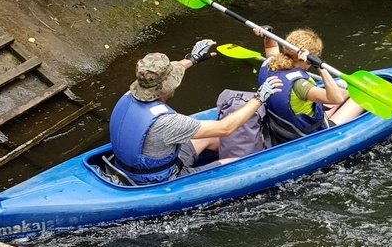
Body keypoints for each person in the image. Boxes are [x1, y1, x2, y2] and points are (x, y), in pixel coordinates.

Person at [109, 39, 283, 185]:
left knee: (212, 137)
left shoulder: (130, 93)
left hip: (131, 166)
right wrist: (260, 97)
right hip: (162, 180)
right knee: (240, 162)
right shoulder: (168, 122)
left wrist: (192, 59)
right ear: (166, 88)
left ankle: (254, 146)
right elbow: (225, 128)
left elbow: (154, 77)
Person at [254, 27, 363, 146]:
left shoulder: (270, 63)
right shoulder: (300, 85)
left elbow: (271, 47)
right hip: (309, 134)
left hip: (281, 129)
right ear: (310, 58)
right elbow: (336, 99)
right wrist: (320, 67)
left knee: (346, 89)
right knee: (359, 94)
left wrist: (269, 34)